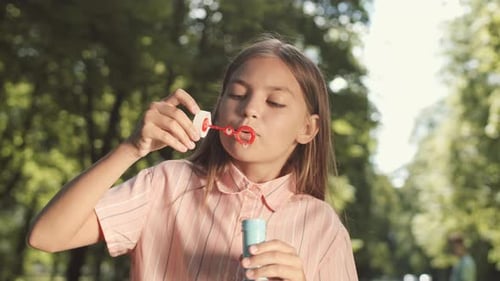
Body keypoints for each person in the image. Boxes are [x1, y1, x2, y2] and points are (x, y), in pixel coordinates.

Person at [28, 34, 358, 281]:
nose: (250, 109)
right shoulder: (167, 185)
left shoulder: (323, 228)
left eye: (275, 102)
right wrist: (131, 147)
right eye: (238, 94)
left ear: (308, 128)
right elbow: (47, 235)